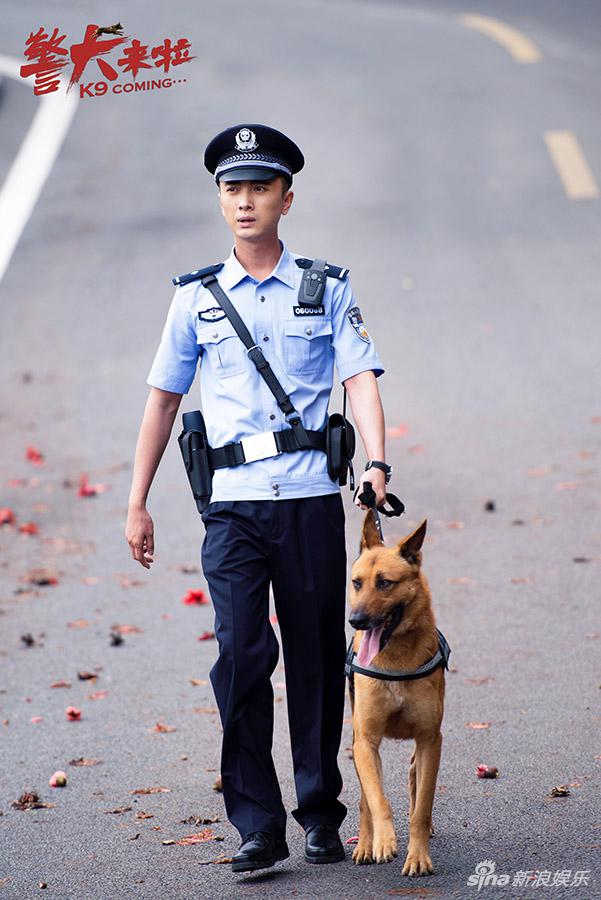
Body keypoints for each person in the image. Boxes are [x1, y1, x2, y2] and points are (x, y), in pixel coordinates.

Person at [125, 123, 391, 873]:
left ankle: (317, 812)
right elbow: (162, 402)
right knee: (241, 656)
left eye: (258, 188)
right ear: (219, 200)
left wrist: (377, 462)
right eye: (231, 189)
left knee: (312, 659)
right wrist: (137, 502)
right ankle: (256, 824)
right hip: (234, 506)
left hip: (308, 500)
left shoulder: (326, 287)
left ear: (286, 197)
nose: (244, 202)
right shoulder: (195, 300)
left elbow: (360, 377)